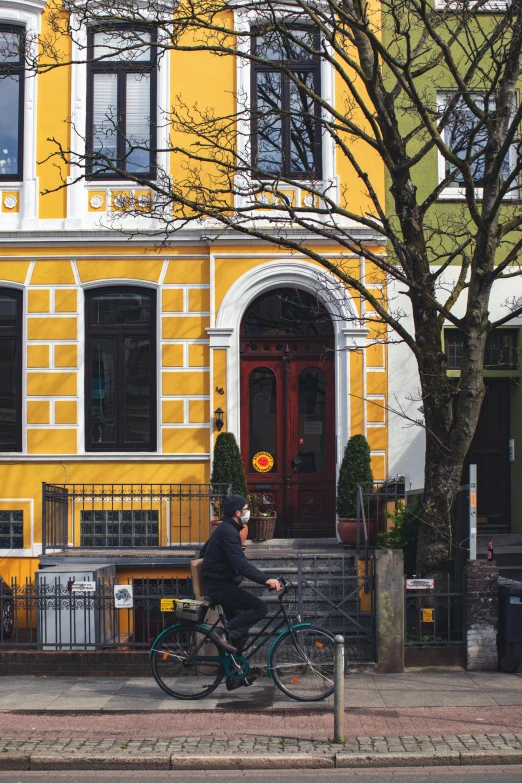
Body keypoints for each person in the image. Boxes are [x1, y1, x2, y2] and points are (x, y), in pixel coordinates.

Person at [200, 494, 281, 689]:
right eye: (246, 509)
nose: (248, 512)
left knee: (240, 633)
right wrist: (265, 579)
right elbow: (241, 565)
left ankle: (235, 675)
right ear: (238, 512)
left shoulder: (226, 530)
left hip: (222, 583)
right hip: (220, 587)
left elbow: (205, 552)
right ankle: (221, 632)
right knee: (260, 608)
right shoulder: (228, 532)